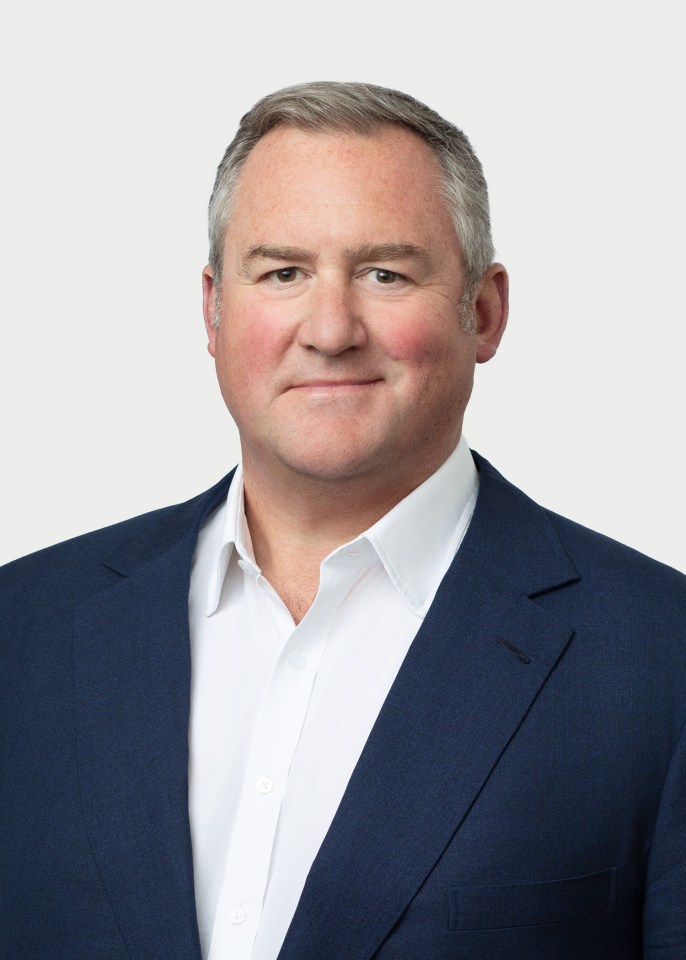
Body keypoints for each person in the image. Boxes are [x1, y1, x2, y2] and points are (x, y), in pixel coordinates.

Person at [1, 81, 684, 960]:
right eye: (282, 272)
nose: (329, 329)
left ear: (483, 313)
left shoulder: (659, 660)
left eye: (385, 274)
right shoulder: (24, 628)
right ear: (213, 310)